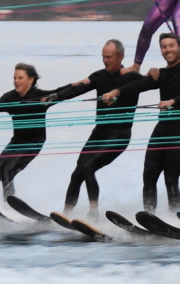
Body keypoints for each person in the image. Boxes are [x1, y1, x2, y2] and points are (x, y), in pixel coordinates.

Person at [104, 33, 180, 213]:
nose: (168, 50)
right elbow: (139, 85)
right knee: (148, 177)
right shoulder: (162, 73)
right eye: (164, 47)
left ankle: (173, 219)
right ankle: (149, 217)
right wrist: (116, 91)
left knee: (170, 178)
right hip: (162, 130)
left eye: (171, 45)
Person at [45, 40, 144, 216]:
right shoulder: (99, 76)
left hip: (119, 135)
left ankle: (93, 213)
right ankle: (66, 214)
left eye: (109, 57)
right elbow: (76, 90)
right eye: (103, 57)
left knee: (88, 166)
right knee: (77, 173)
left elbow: (155, 83)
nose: (105, 60)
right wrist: (55, 96)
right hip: (99, 133)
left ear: (120, 57)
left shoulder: (132, 77)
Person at [0, 63, 68, 200]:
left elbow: (63, 92)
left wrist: (79, 84)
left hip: (34, 142)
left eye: (20, 78)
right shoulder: (10, 97)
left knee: (8, 172)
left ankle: (10, 207)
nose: (16, 81)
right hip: (16, 142)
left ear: (31, 79)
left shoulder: (41, 97)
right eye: (14, 78)